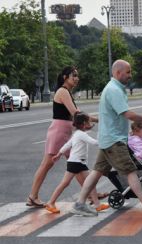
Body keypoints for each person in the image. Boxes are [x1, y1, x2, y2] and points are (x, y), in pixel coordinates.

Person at [71, 59, 142, 217]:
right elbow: (128, 114)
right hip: (114, 141)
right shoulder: (114, 90)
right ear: (117, 73)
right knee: (130, 171)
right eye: (128, 72)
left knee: (96, 172)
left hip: (109, 139)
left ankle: (79, 204)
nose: (130, 75)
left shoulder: (114, 89)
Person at [26, 66, 101, 207]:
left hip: (65, 131)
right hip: (59, 132)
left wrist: (89, 122)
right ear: (65, 77)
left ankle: (92, 194)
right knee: (47, 164)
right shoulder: (62, 91)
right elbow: (76, 114)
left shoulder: (67, 92)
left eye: (77, 76)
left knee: (77, 164)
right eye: (74, 75)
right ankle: (32, 196)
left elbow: (76, 115)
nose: (77, 78)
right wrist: (96, 120)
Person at [46, 112, 109, 214]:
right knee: (67, 183)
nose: (90, 123)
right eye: (89, 122)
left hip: (77, 162)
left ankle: (97, 205)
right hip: (76, 163)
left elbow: (67, 145)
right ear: (84, 123)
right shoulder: (82, 134)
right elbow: (94, 142)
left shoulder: (77, 134)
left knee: (89, 182)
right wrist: (106, 140)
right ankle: (51, 202)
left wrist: (59, 154)